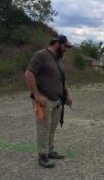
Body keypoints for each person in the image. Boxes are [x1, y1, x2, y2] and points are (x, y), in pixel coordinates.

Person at [25, 35, 73, 168]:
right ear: (57, 43)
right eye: (65, 46)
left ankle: (50, 151)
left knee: (52, 127)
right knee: (43, 128)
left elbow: (62, 79)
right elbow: (29, 74)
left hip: (57, 100)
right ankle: (42, 156)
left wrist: (67, 94)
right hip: (42, 101)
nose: (66, 50)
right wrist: (37, 94)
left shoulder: (58, 59)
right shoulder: (41, 55)